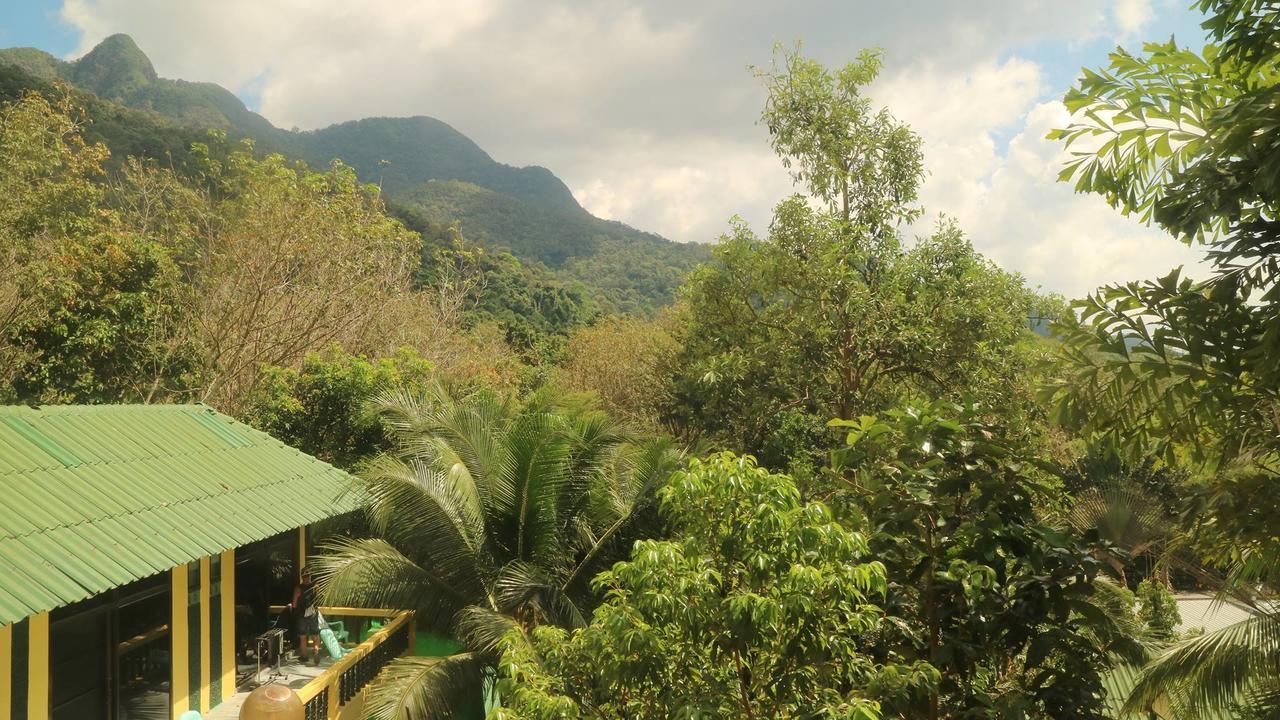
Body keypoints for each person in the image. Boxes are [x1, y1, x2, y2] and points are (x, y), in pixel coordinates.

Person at [290, 568, 321, 665]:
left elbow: (294, 605)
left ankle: (304, 656)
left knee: (303, 636)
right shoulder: (316, 587)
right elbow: (319, 601)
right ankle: (316, 651)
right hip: (313, 613)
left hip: (301, 615)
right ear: (310, 576)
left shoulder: (298, 589)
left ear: (302, 576)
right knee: (315, 634)